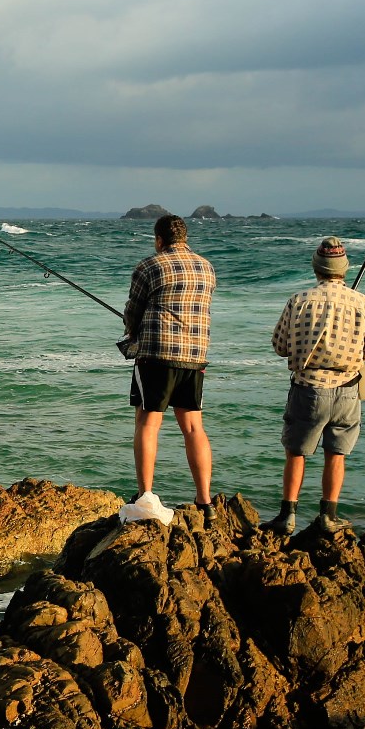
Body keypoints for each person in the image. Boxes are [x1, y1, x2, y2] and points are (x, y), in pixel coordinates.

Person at [264, 236, 365, 536]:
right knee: (336, 454)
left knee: (296, 452)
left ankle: (287, 515)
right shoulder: (361, 302)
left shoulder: (299, 300)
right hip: (347, 390)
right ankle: (329, 516)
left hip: (307, 388)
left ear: (316, 268)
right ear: (344, 268)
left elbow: (279, 345)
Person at [120, 214, 216, 521]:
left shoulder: (149, 266)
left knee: (148, 422)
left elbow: (132, 312)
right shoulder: (207, 268)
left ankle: (146, 494)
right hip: (195, 356)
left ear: (159, 240)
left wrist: (131, 329)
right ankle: (205, 501)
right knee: (193, 428)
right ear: (185, 238)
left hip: (156, 356)